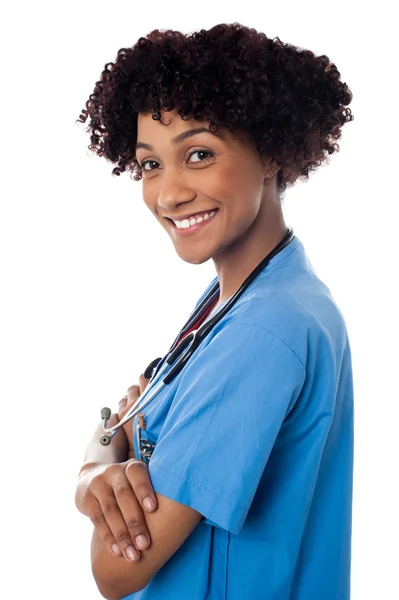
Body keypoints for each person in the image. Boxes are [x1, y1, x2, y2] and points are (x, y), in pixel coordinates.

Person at [74, 22, 355, 600]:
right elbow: (128, 424)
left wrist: (91, 469)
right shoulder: (246, 293)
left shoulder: (264, 329)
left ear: (273, 152)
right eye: (151, 164)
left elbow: (116, 571)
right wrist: (112, 450)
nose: (169, 193)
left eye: (198, 154)